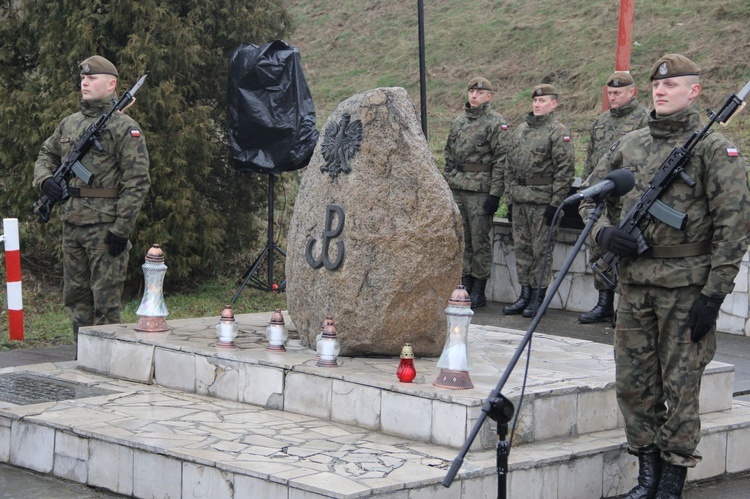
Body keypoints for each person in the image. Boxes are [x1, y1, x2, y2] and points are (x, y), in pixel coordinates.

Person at [579, 54, 750, 498]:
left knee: (681, 387)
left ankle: (672, 480)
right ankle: (646, 476)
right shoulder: (629, 144)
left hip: (685, 289)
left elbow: (734, 228)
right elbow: (588, 200)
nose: (661, 90)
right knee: (634, 385)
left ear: (694, 91)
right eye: (657, 85)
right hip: (635, 287)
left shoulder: (714, 149)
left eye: (672, 86)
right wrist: (606, 234)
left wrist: (713, 296)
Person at [34, 55, 151, 345]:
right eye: (83, 78)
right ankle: (82, 354)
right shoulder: (69, 123)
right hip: (71, 224)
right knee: (75, 298)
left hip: (104, 227)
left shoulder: (125, 128)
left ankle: (109, 359)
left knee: (106, 299)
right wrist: (45, 180)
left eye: (92, 78)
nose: (85, 82)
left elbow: (137, 181)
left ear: (111, 84)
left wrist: (121, 229)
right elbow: (45, 154)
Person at [579, 71, 649, 324]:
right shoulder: (601, 121)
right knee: (599, 249)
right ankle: (603, 303)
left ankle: (624, 308)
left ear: (632, 92)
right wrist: (588, 188)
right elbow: (591, 159)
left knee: (625, 251)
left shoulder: (645, 119)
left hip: (630, 197)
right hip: (603, 195)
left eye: (618, 93)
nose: (613, 97)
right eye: (610, 93)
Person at [502, 84, 575, 318]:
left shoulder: (557, 131)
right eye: (535, 100)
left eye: (543, 101)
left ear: (554, 104)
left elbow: (565, 171)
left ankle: (537, 297)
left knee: (540, 251)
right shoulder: (521, 129)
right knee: (522, 249)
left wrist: (556, 204)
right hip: (521, 200)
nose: (537, 104)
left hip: (543, 202)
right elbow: (509, 165)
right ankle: (524, 294)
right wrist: (510, 197)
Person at [443, 77, 509, 308]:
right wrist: (448, 182)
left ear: (489, 97)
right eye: (471, 91)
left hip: (481, 190)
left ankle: (479, 288)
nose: (474, 96)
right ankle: (465, 283)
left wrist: (495, 194)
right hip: (458, 187)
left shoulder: (495, 123)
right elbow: (449, 154)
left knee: (479, 241)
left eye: (480, 93)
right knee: (462, 241)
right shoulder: (459, 121)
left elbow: (502, 160)